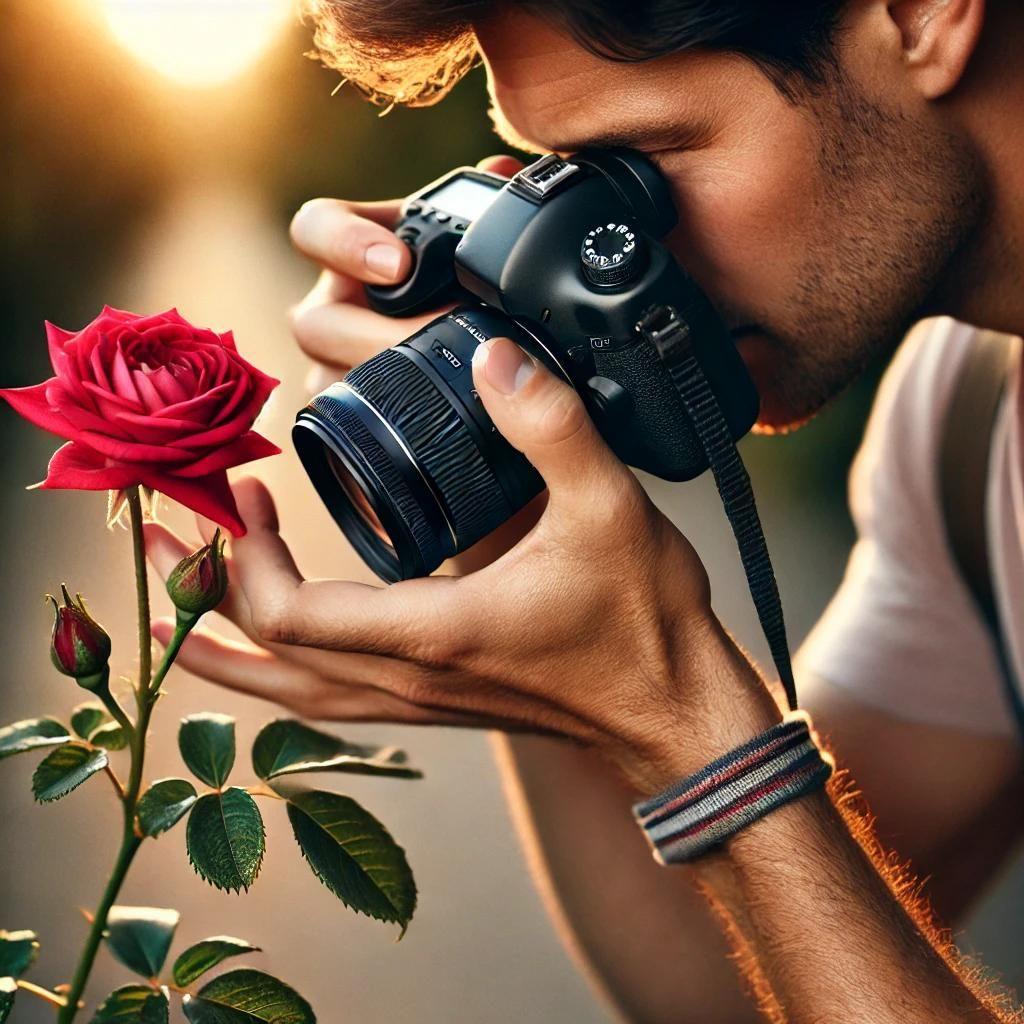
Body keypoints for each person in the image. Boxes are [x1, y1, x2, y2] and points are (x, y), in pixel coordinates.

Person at [144, 2, 1024, 1020]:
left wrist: (689, 713)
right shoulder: (966, 421)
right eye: (563, 184)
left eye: (639, 166)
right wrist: (514, 524)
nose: (622, 250)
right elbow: (730, 986)